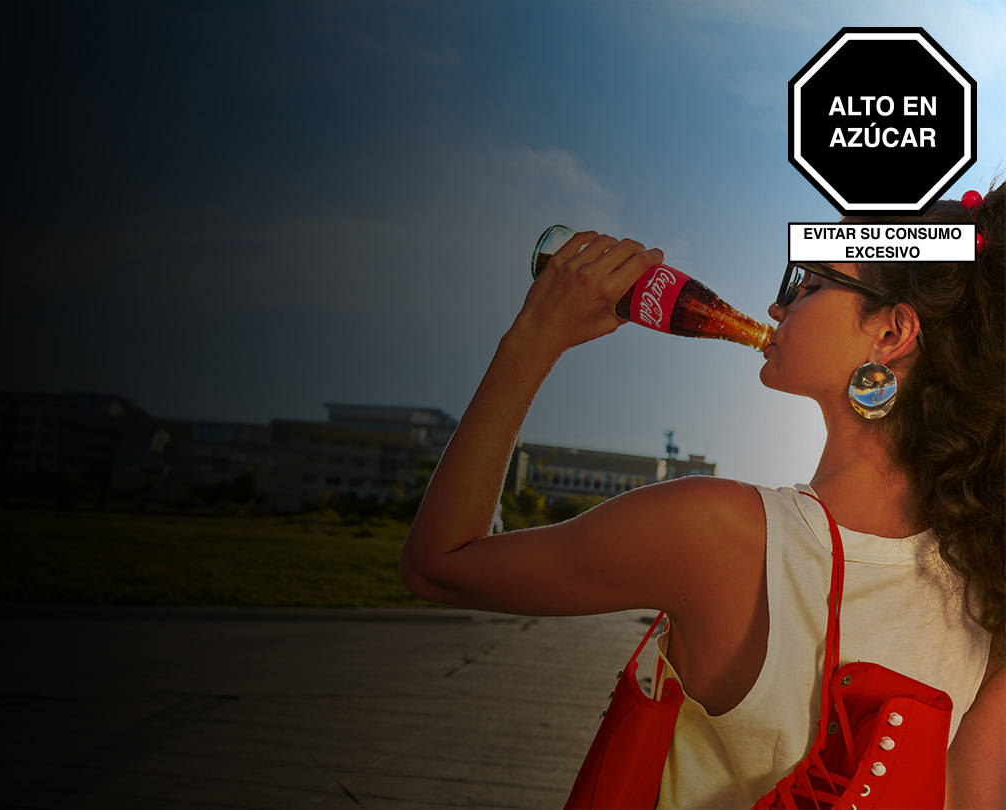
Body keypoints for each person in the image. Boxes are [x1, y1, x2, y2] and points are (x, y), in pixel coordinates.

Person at [399, 186, 1003, 809]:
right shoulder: (990, 588)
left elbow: (439, 563)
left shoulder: (720, 533)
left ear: (891, 333)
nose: (776, 303)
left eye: (808, 282)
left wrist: (533, 336)